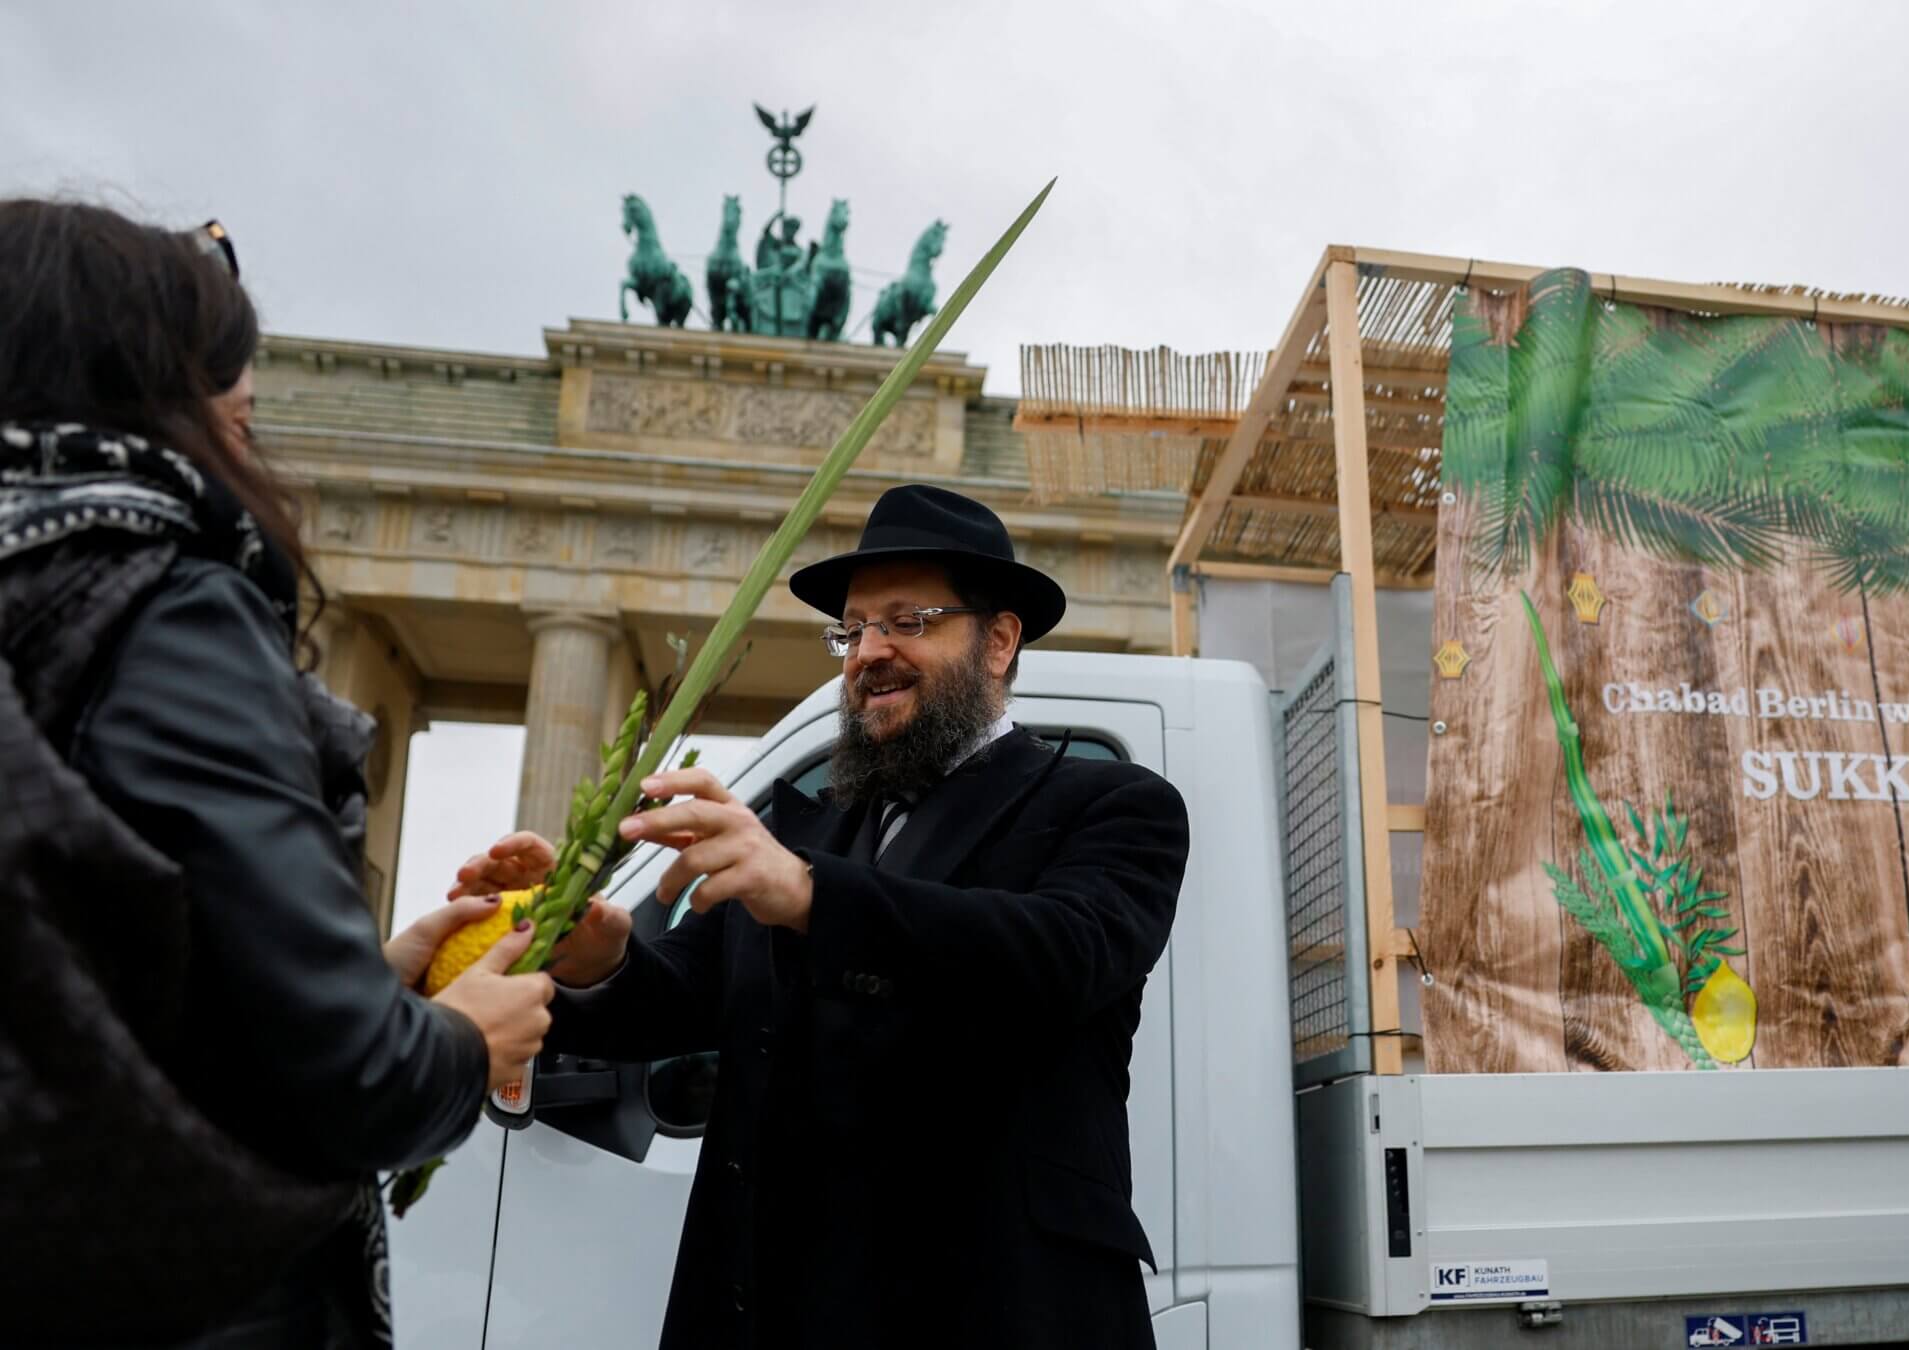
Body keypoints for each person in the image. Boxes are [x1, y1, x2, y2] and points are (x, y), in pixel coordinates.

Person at [451, 484, 1190, 1349]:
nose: (868, 651)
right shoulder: (802, 825)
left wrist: (812, 897)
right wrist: (597, 954)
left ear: (998, 641)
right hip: (774, 1305)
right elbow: (681, 999)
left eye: (908, 621)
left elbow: (1059, 956)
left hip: (991, 1305)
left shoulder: (1113, 802)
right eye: (852, 629)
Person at [0, 199, 556, 1348]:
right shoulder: (163, 603)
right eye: (240, 423)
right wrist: (460, 1042)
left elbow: (83, 964)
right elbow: (356, 1082)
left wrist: (358, 972)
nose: (249, 453)